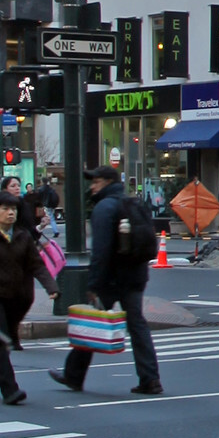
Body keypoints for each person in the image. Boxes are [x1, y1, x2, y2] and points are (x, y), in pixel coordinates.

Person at [49, 165, 164, 397]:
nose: (92, 186)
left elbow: (100, 251)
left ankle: (73, 375)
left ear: (107, 182)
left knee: (91, 322)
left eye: (96, 181)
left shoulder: (105, 207)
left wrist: (93, 284)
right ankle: (150, 379)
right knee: (137, 325)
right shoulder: (133, 203)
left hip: (111, 278)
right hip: (135, 275)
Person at [0, 192, 56, 406]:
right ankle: (10, 390)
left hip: (16, 297)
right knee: (0, 340)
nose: (11, 213)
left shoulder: (22, 236)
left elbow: (36, 264)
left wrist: (51, 287)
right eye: (5, 209)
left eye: (14, 209)